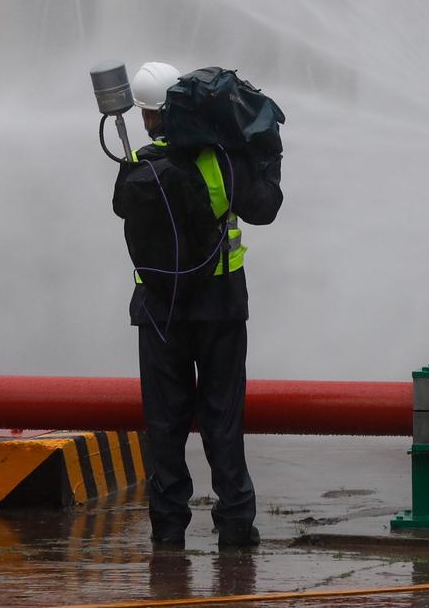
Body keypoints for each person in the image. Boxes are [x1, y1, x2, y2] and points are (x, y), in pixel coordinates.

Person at [110, 61, 283, 550]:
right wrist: (265, 153)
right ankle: (234, 527)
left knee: (164, 426)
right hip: (221, 306)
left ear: (149, 116)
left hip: (157, 311)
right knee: (222, 419)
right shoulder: (223, 161)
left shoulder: (138, 164)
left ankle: (167, 533)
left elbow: (124, 211)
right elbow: (265, 209)